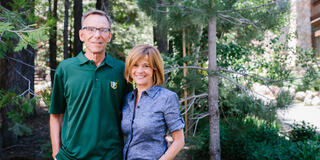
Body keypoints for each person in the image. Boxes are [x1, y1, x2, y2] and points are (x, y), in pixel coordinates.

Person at [49, 10, 132, 160]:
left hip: (111, 156)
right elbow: (56, 114)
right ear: (82, 35)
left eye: (103, 30)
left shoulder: (121, 70)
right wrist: (56, 154)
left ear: (109, 36)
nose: (97, 35)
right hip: (71, 156)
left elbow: (130, 115)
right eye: (91, 29)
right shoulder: (66, 68)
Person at [121, 44, 185, 160]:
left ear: (154, 69)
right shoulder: (127, 99)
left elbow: (179, 141)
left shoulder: (166, 98)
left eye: (146, 66)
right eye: (135, 65)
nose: (140, 71)